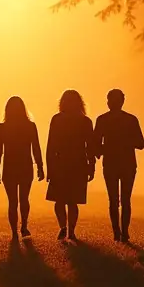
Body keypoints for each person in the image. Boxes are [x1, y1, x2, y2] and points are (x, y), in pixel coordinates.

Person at [94, 89, 144, 243]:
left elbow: (95, 144)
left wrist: (105, 148)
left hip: (112, 164)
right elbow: (140, 143)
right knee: (125, 199)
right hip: (126, 164)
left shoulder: (103, 120)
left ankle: (118, 232)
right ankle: (123, 232)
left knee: (114, 200)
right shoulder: (131, 119)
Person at [45, 89, 94, 241]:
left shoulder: (57, 119)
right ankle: (70, 230)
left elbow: (50, 146)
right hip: (78, 164)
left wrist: (50, 166)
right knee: (72, 201)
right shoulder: (85, 121)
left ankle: (64, 228)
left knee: (60, 200)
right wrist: (91, 166)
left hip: (61, 163)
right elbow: (90, 148)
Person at [0, 96, 44, 240]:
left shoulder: (3, 127)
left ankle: (14, 231)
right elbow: (36, 148)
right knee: (24, 198)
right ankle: (24, 226)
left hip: (9, 167)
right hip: (25, 165)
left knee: (12, 201)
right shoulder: (30, 126)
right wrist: (40, 166)